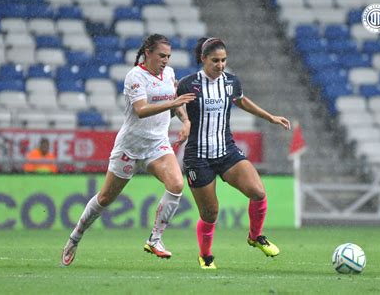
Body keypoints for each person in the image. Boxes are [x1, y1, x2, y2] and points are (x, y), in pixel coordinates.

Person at [61, 34, 196, 266]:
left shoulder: (170, 74)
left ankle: (155, 239)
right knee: (105, 197)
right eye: (161, 55)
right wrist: (174, 105)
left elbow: (175, 99)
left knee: (176, 184)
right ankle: (75, 237)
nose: (165, 60)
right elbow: (141, 109)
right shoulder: (135, 76)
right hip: (130, 148)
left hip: (157, 146)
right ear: (148, 53)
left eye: (168, 56)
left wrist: (185, 120)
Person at [176, 37, 291, 269]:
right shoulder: (188, 84)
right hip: (198, 157)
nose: (220, 65)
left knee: (258, 191)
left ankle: (255, 236)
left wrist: (270, 117)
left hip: (226, 151)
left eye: (224, 60)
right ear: (203, 59)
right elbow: (177, 103)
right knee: (210, 213)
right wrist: (185, 120)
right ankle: (206, 256)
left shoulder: (231, 82)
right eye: (215, 61)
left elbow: (241, 101)